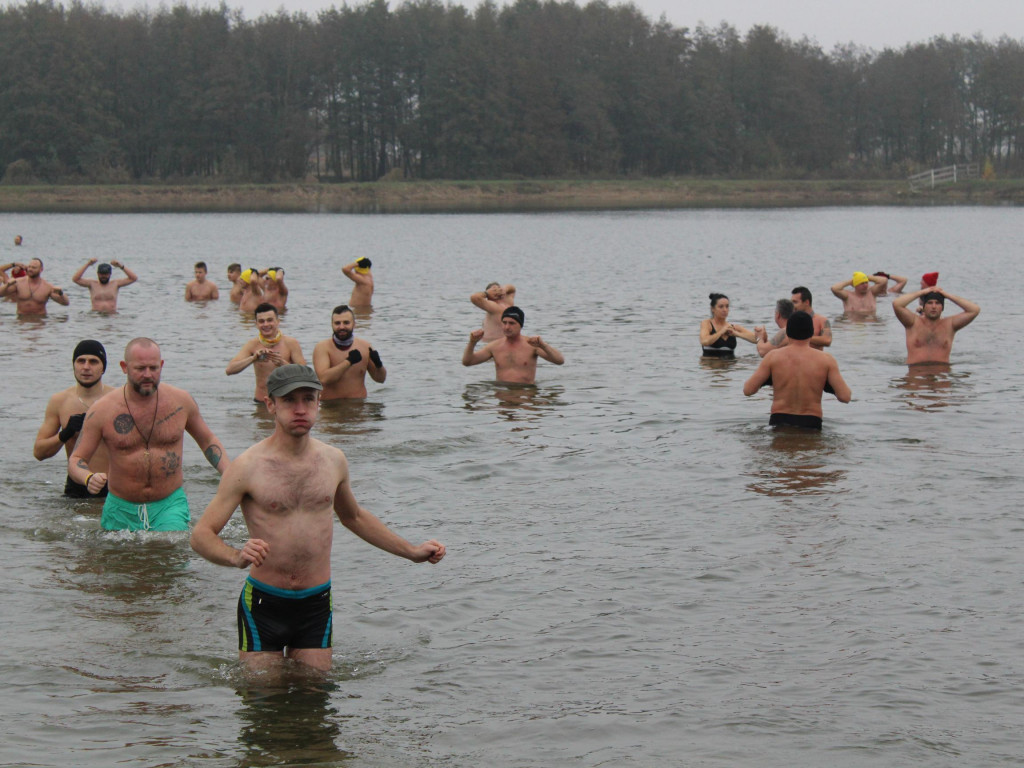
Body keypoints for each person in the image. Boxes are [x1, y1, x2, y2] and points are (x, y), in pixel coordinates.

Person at [189, 364, 445, 673]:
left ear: (319, 402)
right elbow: (201, 535)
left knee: (315, 699)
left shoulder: (334, 461)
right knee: (263, 702)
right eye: (289, 400)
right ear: (270, 404)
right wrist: (236, 556)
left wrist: (412, 552)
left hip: (315, 602)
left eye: (308, 399)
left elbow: (355, 517)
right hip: (264, 604)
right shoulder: (246, 467)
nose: (300, 409)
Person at [68, 338, 229, 531]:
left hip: (169, 504)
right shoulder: (102, 410)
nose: (147, 375)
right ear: (124, 367)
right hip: (120, 507)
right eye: (140, 368)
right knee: (116, 560)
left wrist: (231, 475)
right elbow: (76, 458)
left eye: (153, 368)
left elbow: (207, 440)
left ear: (161, 365)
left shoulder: (180, 402)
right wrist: (88, 477)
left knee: (172, 549)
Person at [33, 341, 116, 498]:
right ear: (74, 365)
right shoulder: (60, 401)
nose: (86, 367)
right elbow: (39, 452)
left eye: (93, 361)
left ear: (103, 368)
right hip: (77, 487)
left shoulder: (119, 399)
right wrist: (65, 434)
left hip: (113, 486)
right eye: (81, 361)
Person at [743, 311, 851, 430]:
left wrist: (770, 379)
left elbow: (748, 390)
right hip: (811, 422)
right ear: (811, 333)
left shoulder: (773, 357)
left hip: (779, 420)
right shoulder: (826, 360)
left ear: (787, 332)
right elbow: (845, 397)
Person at [226, 303, 307, 402]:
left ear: (277, 321)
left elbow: (305, 375)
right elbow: (229, 370)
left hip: (285, 402)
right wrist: (253, 359)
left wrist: (283, 364)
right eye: (261, 321)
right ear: (256, 324)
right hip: (261, 402)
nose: (266, 324)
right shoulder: (252, 344)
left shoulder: (291, 343)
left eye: (270, 320)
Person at [462, 306, 564, 384]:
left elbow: (559, 361)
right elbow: (467, 362)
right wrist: (472, 342)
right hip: (502, 393)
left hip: (525, 394)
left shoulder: (532, 345)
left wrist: (543, 345)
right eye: (504, 323)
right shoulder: (494, 346)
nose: (507, 327)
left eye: (511, 323)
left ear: (520, 325)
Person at [312, 305, 387, 400]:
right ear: (332, 324)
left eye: (346, 323)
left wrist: (379, 364)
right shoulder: (322, 347)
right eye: (337, 323)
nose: (341, 327)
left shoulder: (365, 346)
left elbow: (380, 379)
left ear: (354, 324)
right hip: (331, 407)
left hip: (359, 406)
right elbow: (324, 379)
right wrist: (348, 362)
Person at [892, 286, 980, 365]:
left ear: (942, 307)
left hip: (941, 376)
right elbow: (897, 304)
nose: (933, 306)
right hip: (916, 375)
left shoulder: (950, 324)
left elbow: (974, 310)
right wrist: (922, 292)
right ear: (923, 307)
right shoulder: (912, 322)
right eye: (930, 303)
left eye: (937, 303)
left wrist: (947, 295)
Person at [0, 258, 70, 315]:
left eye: (34, 267)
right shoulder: (18, 283)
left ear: (41, 269)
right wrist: (7, 285)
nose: (30, 269)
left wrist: (61, 293)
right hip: (21, 323)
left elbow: (66, 303)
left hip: (39, 322)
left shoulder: (47, 287)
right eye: (29, 267)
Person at [72, 258, 138, 312]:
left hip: (112, 315)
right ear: (98, 274)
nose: (103, 276)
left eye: (106, 274)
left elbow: (134, 278)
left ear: (110, 274)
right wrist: (88, 264)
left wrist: (120, 266)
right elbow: (75, 279)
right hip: (96, 315)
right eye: (101, 274)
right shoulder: (92, 284)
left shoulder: (115, 284)